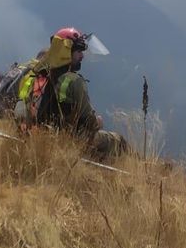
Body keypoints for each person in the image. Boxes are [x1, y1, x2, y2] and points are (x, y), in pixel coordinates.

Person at [36, 27, 128, 159]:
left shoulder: (44, 75)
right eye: (78, 51)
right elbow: (89, 122)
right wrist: (98, 121)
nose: (82, 56)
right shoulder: (74, 80)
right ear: (66, 51)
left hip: (47, 137)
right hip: (72, 141)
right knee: (119, 141)